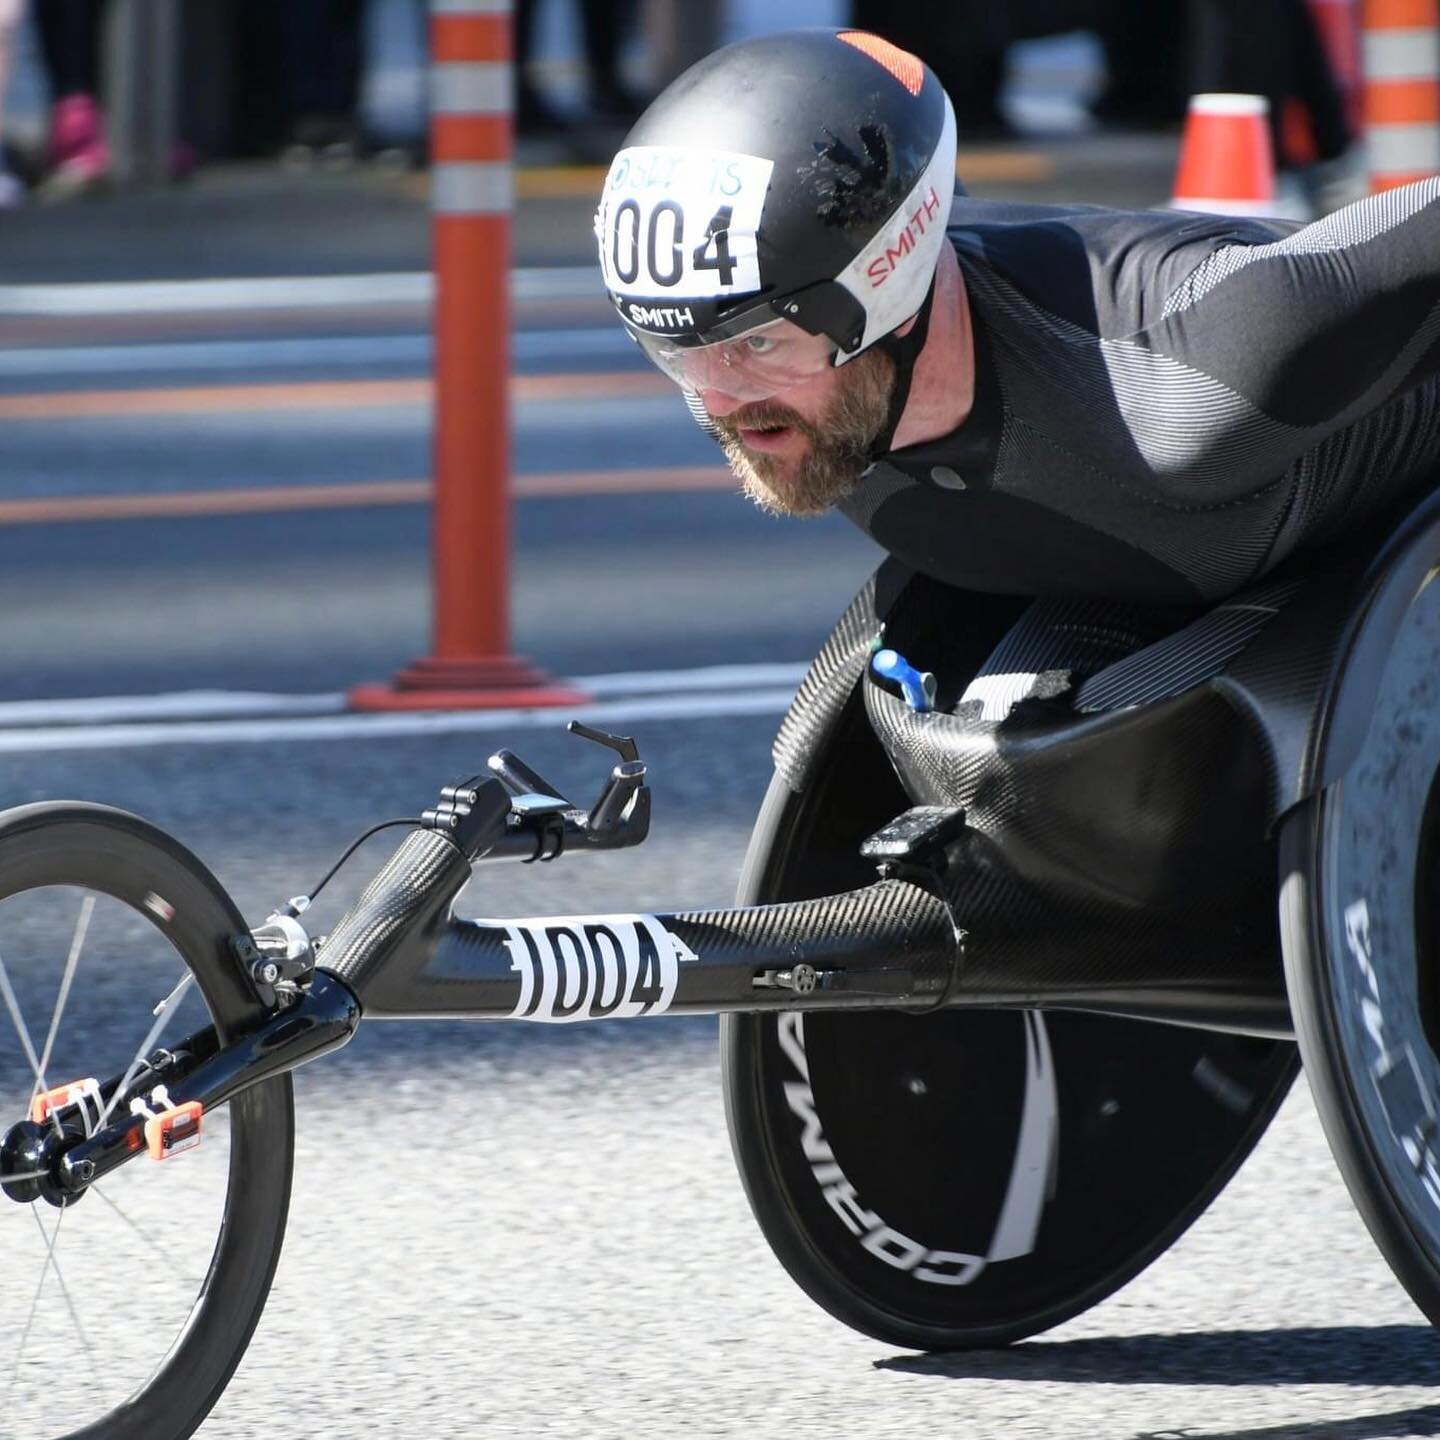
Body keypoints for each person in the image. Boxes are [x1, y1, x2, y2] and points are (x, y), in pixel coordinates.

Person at [594, 27, 1440, 605]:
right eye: (679, 354)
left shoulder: (1197, 375)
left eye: (758, 343)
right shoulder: (821, 399)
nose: (723, 403)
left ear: (884, 282)